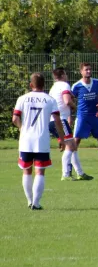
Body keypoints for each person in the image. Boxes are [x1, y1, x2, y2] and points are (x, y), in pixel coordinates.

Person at [13, 73, 66, 210]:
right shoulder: (50, 100)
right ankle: (36, 203)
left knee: (26, 170)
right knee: (40, 171)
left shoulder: (22, 98)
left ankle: (29, 201)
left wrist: (21, 129)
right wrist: (61, 138)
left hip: (25, 140)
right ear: (44, 85)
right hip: (41, 140)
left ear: (31, 85)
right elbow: (57, 120)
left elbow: (15, 119)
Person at [48, 68, 93, 181]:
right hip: (60, 120)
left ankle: (80, 173)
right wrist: (75, 107)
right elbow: (67, 100)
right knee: (70, 146)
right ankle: (66, 174)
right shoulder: (64, 85)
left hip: (53, 120)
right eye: (66, 73)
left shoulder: (54, 87)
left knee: (72, 146)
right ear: (63, 75)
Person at [71, 62, 98, 173]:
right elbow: (70, 100)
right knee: (75, 142)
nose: (88, 71)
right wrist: (73, 110)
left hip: (96, 116)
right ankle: (69, 168)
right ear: (81, 71)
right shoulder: (76, 85)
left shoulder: (97, 82)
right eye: (86, 69)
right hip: (82, 117)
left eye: (89, 69)